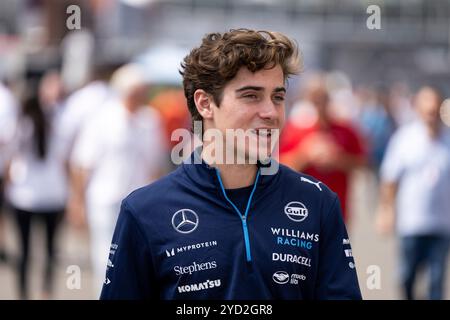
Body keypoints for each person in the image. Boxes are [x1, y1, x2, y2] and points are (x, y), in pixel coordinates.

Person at [100, 29, 362, 300]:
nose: (271, 112)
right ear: (205, 104)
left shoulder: (318, 203)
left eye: (278, 97)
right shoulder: (144, 211)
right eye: (251, 95)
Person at [69, 63, 166, 295]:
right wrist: (77, 201)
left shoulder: (150, 119)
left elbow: (155, 163)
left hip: (139, 200)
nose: (144, 95)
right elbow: (82, 163)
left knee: (138, 257)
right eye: (140, 90)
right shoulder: (103, 118)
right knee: (107, 257)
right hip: (105, 199)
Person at [376, 86, 450, 300]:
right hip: (411, 222)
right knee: (407, 275)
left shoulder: (447, 141)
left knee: (436, 279)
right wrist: (386, 210)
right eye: (427, 110)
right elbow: (390, 178)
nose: (431, 115)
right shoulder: (405, 139)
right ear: (418, 109)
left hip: (441, 223)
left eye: (435, 110)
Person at [5, 72, 68, 299]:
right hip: (53, 194)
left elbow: (9, 156)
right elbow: (64, 159)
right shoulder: (56, 120)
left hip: (24, 195)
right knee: (50, 249)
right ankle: (46, 291)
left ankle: (23, 292)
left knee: (24, 250)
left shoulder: (21, 124)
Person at [279, 75, 367, 222]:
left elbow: (362, 161)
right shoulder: (295, 130)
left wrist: (337, 158)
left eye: (322, 98)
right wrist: (305, 154)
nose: (319, 104)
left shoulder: (346, 130)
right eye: (314, 99)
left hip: (336, 209)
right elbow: (280, 166)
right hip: (302, 211)